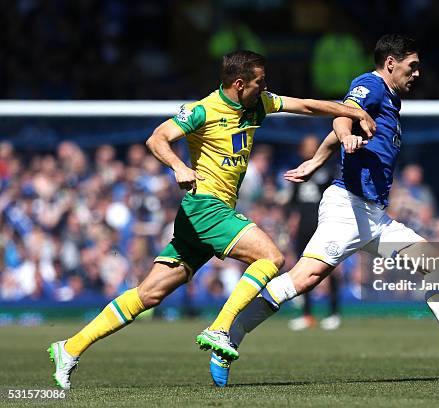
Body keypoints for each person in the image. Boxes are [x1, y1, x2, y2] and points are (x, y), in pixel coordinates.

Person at [47, 50, 376, 390]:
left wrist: (353, 110)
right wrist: (178, 166)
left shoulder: (258, 103)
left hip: (204, 217)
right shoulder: (203, 110)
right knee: (271, 257)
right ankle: (221, 327)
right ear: (239, 84)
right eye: (260, 81)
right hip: (205, 207)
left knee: (149, 294)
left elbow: (307, 105)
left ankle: (69, 348)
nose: (266, 86)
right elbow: (156, 138)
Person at [209, 34, 439, 387]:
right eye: (412, 67)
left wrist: (316, 160)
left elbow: (338, 131)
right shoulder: (371, 85)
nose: (417, 73)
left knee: (433, 262)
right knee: (302, 279)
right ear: (391, 63)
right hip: (348, 208)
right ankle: (228, 338)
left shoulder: (391, 103)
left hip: (374, 216)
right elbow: (343, 116)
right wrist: (347, 132)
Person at [285, 135, 340, 331]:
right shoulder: (300, 169)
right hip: (304, 224)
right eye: (305, 146)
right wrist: (291, 218)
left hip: (323, 222)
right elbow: (292, 200)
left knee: (330, 267)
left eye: (312, 146)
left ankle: (334, 313)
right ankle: (307, 314)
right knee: (303, 266)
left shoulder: (328, 169)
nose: (308, 149)